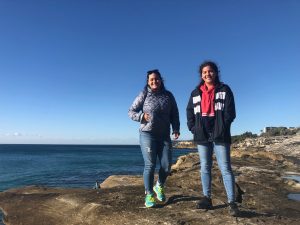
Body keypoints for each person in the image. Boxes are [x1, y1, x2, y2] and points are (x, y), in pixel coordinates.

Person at [186, 61, 239, 216]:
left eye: (210, 71)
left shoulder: (224, 89)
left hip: (220, 134)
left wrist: (222, 127)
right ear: (201, 75)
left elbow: (231, 112)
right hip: (202, 134)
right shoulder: (195, 92)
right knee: (205, 167)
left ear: (215, 73)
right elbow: (189, 111)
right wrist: (193, 127)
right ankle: (207, 198)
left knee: (226, 168)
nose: (207, 74)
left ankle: (232, 202)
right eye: (204, 72)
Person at [128, 69, 180, 208]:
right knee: (150, 165)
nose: (154, 81)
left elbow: (175, 113)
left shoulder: (168, 96)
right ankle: (149, 194)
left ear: (161, 80)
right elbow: (131, 111)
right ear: (148, 81)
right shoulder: (144, 94)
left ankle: (159, 185)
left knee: (166, 165)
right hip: (147, 134)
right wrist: (141, 117)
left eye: (156, 79)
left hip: (164, 136)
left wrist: (176, 128)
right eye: (151, 79)